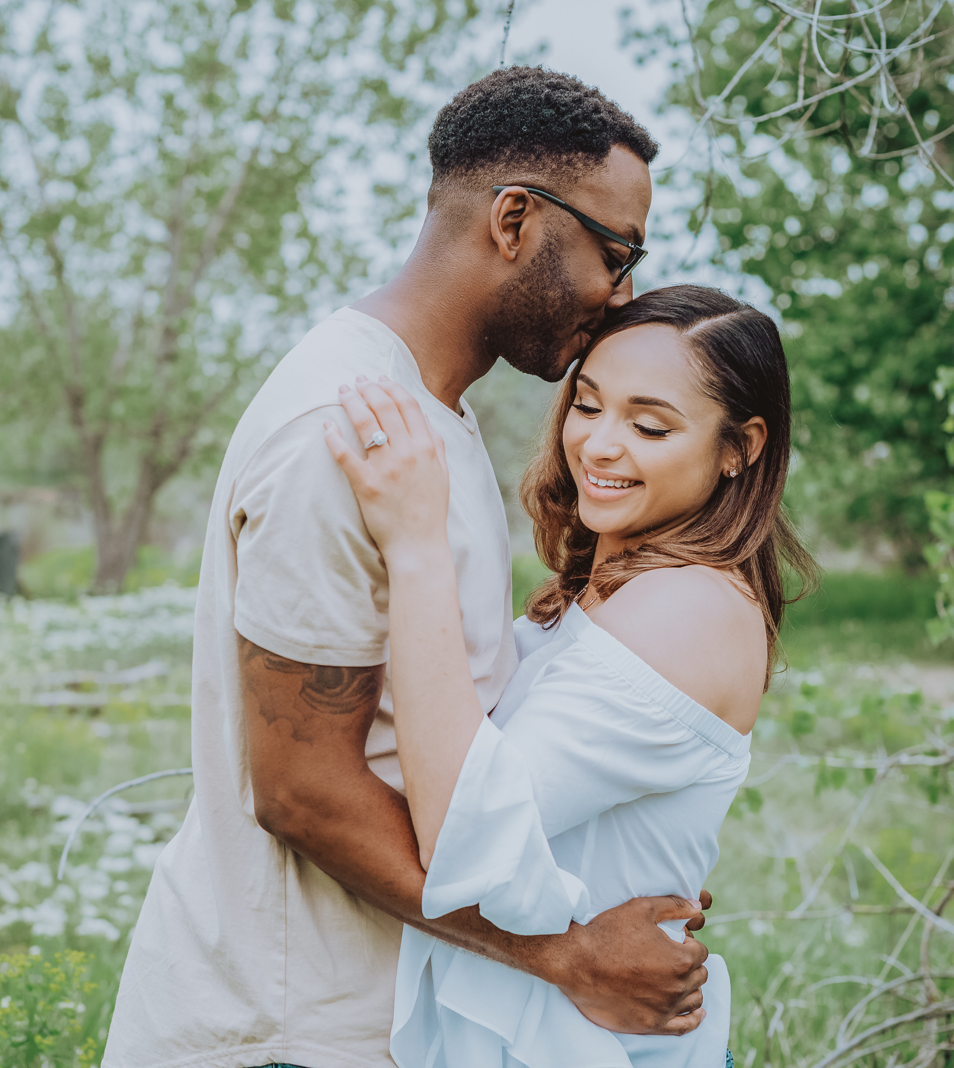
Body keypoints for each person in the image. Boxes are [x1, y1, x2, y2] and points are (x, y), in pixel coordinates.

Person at [104, 68, 715, 1068]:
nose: (621, 295)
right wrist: (566, 955)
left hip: (375, 1016)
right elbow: (301, 792)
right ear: (513, 219)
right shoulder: (338, 428)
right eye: (614, 252)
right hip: (283, 1030)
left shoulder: (426, 414)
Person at [321, 285, 817, 1067]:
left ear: (739, 447)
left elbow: (461, 830)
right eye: (588, 406)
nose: (599, 445)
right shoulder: (617, 586)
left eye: (650, 425)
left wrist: (416, 542)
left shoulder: (690, 608)